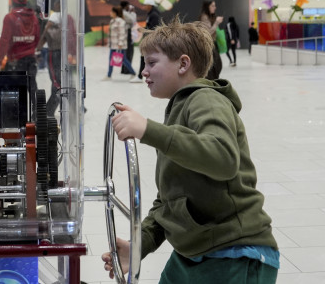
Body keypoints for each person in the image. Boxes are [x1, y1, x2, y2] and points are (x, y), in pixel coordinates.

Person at [102, 20, 279, 283]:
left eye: (151, 63)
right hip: (193, 253)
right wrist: (140, 245)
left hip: (234, 252)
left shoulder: (206, 99)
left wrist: (148, 129)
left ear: (183, 64)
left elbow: (223, 157)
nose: (143, 72)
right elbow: (170, 200)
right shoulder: (178, 111)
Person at [0, 0, 41, 121]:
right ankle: (37, 113)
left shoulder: (10, 18)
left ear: (13, 1)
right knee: (32, 86)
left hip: (15, 61)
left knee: (7, 86)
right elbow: (37, 38)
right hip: (31, 59)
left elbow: (4, 40)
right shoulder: (34, 17)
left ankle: (4, 115)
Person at [36, 0, 62, 116]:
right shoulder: (68, 16)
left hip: (54, 52)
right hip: (64, 52)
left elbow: (46, 31)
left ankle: (49, 110)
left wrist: (38, 48)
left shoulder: (55, 15)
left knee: (56, 81)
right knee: (60, 80)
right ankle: (77, 106)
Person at [131, 0, 161, 83]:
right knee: (145, 58)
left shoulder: (154, 15)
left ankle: (141, 77)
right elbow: (150, 27)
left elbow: (154, 29)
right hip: (149, 40)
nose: (144, 7)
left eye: (146, 5)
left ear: (150, 5)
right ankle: (142, 76)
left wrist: (144, 30)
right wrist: (143, 29)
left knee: (146, 58)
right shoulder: (151, 14)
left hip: (151, 41)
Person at [104, 6, 137, 79]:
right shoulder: (112, 21)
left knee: (123, 59)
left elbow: (122, 33)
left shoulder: (121, 21)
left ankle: (133, 73)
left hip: (119, 45)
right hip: (113, 44)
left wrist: (120, 43)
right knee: (111, 59)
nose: (110, 13)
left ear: (115, 13)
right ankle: (109, 75)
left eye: (111, 12)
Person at [197, 0, 223, 80]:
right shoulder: (204, 17)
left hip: (212, 45)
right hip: (208, 46)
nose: (215, 7)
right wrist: (216, 23)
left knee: (216, 66)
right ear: (207, 6)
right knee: (214, 68)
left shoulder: (209, 17)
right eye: (212, 6)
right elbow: (208, 32)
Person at [120, 0, 137, 75]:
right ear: (125, 6)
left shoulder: (123, 13)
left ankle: (124, 69)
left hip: (125, 33)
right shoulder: (124, 13)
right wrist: (133, 12)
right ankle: (127, 69)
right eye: (128, 5)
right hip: (127, 33)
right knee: (129, 52)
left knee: (126, 52)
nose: (129, 7)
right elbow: (133, 20)